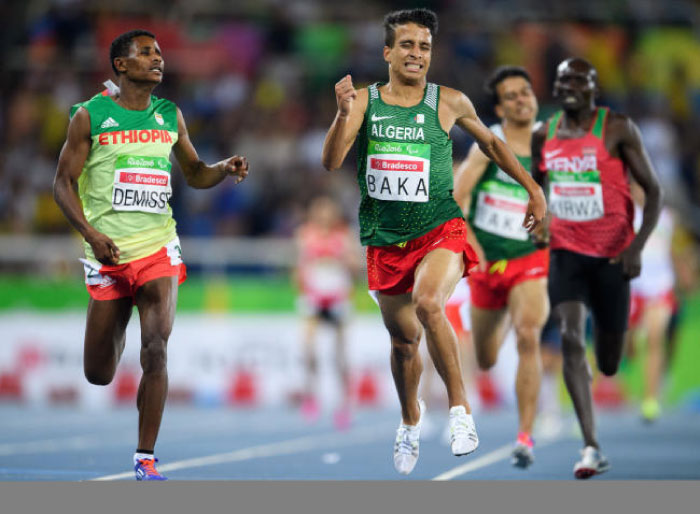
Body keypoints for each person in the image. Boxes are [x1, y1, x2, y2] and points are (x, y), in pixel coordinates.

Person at [321, 8, 546, 475]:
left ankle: (460, 412)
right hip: (384, 240)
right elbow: (333, 160)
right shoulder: (364, 101)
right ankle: (409, 421)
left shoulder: (450, 101)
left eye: (424, 47)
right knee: (404, 343)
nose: (416, 54)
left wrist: (532, 187)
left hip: (439, 227)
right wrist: (342, 114)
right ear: (387, 52)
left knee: (429, 303)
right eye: (407, 45)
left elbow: (492, 143)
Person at [53, 30, 250, 480]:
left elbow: (195, 172)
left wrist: (223, 169)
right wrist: (90, 233)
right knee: (98, 374)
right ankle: (117, 311)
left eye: (159, 53)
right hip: (107, 254)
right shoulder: (89, 116)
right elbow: (61, 183)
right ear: (120, 65)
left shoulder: (170, 115)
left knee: (157, 349)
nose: (158, 59)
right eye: (146, 53)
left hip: (159, 247)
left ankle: (145, 458)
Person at [531, 57, 661, 479]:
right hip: (566, 254)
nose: (568, 85)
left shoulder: (618, 127)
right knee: (569, 337)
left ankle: (604, 367)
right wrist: (539, 221)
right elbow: (538, 188)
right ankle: (591, 445)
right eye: (562, 78)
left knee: (608, 361)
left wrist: (638, 246)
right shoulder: (542, 134)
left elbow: (654, 191)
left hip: (612, 257)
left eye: (577, 80)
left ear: (594, 87)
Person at [454, 66, 549, 469]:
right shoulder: (486, 147)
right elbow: (456, 201)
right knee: (488, 357)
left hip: (530, 259)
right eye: (511, 96)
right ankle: (503, 314)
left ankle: (524, 436)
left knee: (529, 335)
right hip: (487, 266)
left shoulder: (553, 144)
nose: (521, 99)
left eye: (525, 91)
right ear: (499, 107)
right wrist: (475, 250)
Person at [294, 196, 359, 429]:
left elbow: (354, 268)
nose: (323, 215)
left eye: (327, 211)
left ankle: (344, 403)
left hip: (337, 296)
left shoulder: (343, 235)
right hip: (313, 295)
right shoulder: (305, 233)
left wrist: (342, 259)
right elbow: (299, 265)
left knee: (339, 354)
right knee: (309, 350)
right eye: (319, 211)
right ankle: (311, 396)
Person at [627, 182, 676, 423]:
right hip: (634, 289)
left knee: (656, 339)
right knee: (628, 347)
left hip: (661, 288)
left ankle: (650, 399)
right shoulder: (625, 215)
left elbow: (673, 251)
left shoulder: (665, 217)